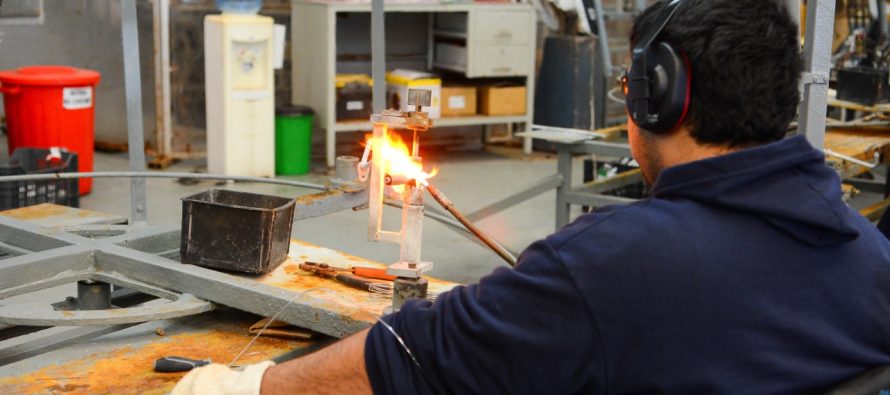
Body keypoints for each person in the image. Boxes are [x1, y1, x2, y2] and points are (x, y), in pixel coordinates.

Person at [173, 0, 890, 394]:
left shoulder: (614, 267)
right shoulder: (870, 253)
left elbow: (410, 358)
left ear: (657, 94)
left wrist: (242, 388)